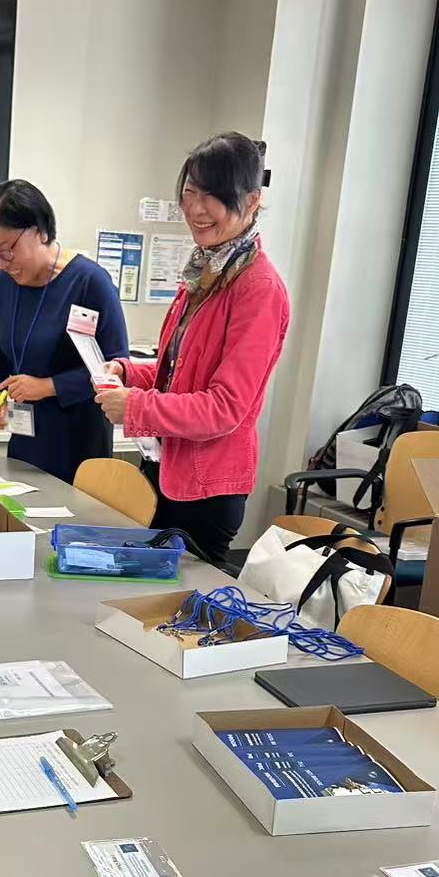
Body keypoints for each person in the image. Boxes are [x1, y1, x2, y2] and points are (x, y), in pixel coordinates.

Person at [95, 132, 289, 567]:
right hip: (165, 468)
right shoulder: (207, 270)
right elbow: (177, 375)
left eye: (214, 195)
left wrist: (136, 407)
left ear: (252, 201)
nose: (197, 209)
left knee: (181, 602)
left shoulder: (257, 288)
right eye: (190, 192)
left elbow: (224, 407)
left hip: (205, 487)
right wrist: (128, 372)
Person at [0, 180, 128, 486]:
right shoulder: (4, 282)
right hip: (25, 438)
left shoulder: (89, 282)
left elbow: (115, 366)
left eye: (8, 251)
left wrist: (47, 386)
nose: (3, 264)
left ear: (40, 230)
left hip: (78, 441)